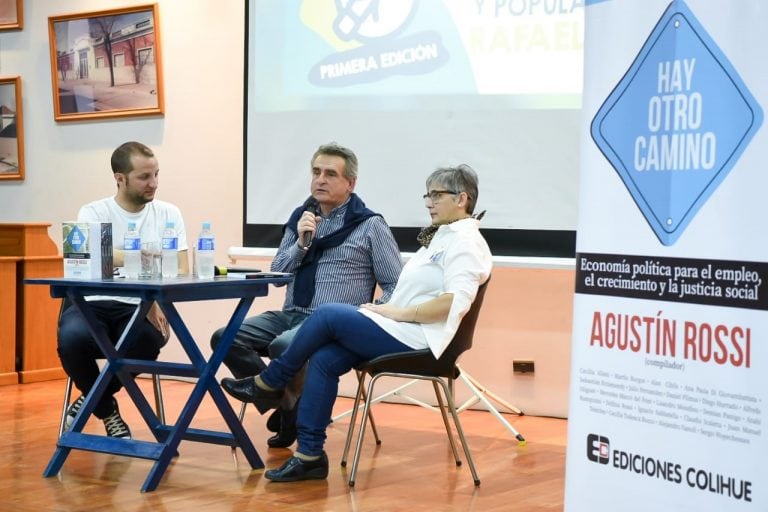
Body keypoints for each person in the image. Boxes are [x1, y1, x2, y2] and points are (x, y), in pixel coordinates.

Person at [221, 164, 491, 481]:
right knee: (323, 358)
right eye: (427, 195)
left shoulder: (467, 243)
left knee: (328, 314)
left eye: (436, 195)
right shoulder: (442, 236)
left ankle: (268, 383)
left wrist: (395, 313)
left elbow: (453, 302)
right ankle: (310, 456)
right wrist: (384, 309)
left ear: (461, 199)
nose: (428, 202)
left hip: (421, 339)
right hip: (399, 327)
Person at [211, 142, 402, 448]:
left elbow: (395, 284)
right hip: (292, 312)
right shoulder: (302, 217)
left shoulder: (370, 226)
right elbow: (277, 274)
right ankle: (286, 401)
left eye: (330, 174)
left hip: (334, 322)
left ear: (350, 183)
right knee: (225, 338)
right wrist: (301, 243)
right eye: (316, 172)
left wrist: (370, 314)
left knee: (283, 345)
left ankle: (286, 408)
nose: (320, 180)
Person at [57, 141, 189, 439]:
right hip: (93, 303)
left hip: (139, 305)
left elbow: (179, 267)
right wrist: (141, 255)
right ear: (120, 178)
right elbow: (84, 254)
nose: (153, 183)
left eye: (156, 174)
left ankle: (90, 401)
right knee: (72, 339)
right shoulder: (93, 211)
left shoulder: (169, 213)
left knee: (147, 340)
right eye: (144, 177)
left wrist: (154, 297)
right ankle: (107, 409)